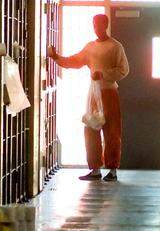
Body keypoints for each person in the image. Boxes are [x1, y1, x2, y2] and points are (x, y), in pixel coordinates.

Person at [48, 13, 130, 182]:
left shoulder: (115, 46)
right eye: (94, 25)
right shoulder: (90, 47)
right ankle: (94, 168)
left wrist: (104, 74)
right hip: (94, 94)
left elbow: (124, 69)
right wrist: (57, 58)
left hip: (109, 92)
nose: (96, 28)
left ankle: (112, 169)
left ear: (105, 25)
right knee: (91, 129)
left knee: (112, 131)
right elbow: (75, 61)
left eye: (99, 24)